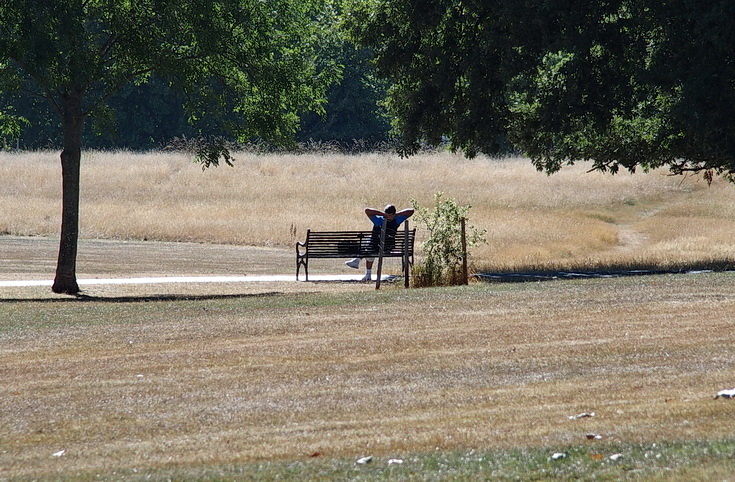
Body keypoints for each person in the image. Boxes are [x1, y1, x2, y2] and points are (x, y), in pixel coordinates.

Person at [345, 204, 414, 281]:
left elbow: (367, 210)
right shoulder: (397, 220)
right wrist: (395, 215)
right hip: (388, 247)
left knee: (369, 245)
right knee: (369, 244)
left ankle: (359, 262)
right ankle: (358, 262)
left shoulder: (379, 220)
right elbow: (411, 211)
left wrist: (383, 214)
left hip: (376, 246)